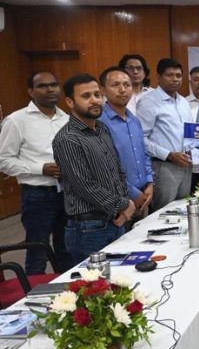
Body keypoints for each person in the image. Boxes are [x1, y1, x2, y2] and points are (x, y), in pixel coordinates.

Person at [52, 74, 135, 266]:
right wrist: (123, 204)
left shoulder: (102, 129)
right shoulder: (68, 139)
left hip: (116, 220)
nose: (95, 100)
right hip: (88, 228)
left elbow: (117, 171)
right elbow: (84, 186)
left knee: (121, 281)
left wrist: (124, 207)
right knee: (95, 287)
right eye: (86, 96)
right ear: (70, 101)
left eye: (97, 94)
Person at [0, 71, 72, 273]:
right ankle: (32, 297)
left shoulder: (66, 119)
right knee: (37, 249)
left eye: (54, 85)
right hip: (37, 194)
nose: (50, 89)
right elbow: (3, 160)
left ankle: (67, 294)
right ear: (31, 91)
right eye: (42, 86)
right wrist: (40, 168)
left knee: (65, 247)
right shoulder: (17, 120)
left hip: (66, 192)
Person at [97, 67, 154, 227]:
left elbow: (144, 154)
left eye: (126, 85)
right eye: (115, 85)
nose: (122, 90)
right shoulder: (99, 123)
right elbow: (106, 166)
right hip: (118, 202)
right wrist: (133, 193)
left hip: (143, 196)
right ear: (102, 90)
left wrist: (150, 183)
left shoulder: (134, 120)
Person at [138, 58, 194, 211]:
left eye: (178, 75)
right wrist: (168, 155)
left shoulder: (183, 102)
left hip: (186, 165)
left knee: (183, 211)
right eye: (170, 75)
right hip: (164, 166)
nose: (175, 79)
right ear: (159, 77)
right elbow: (140, 139)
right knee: (163, 214)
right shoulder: (148, 102)